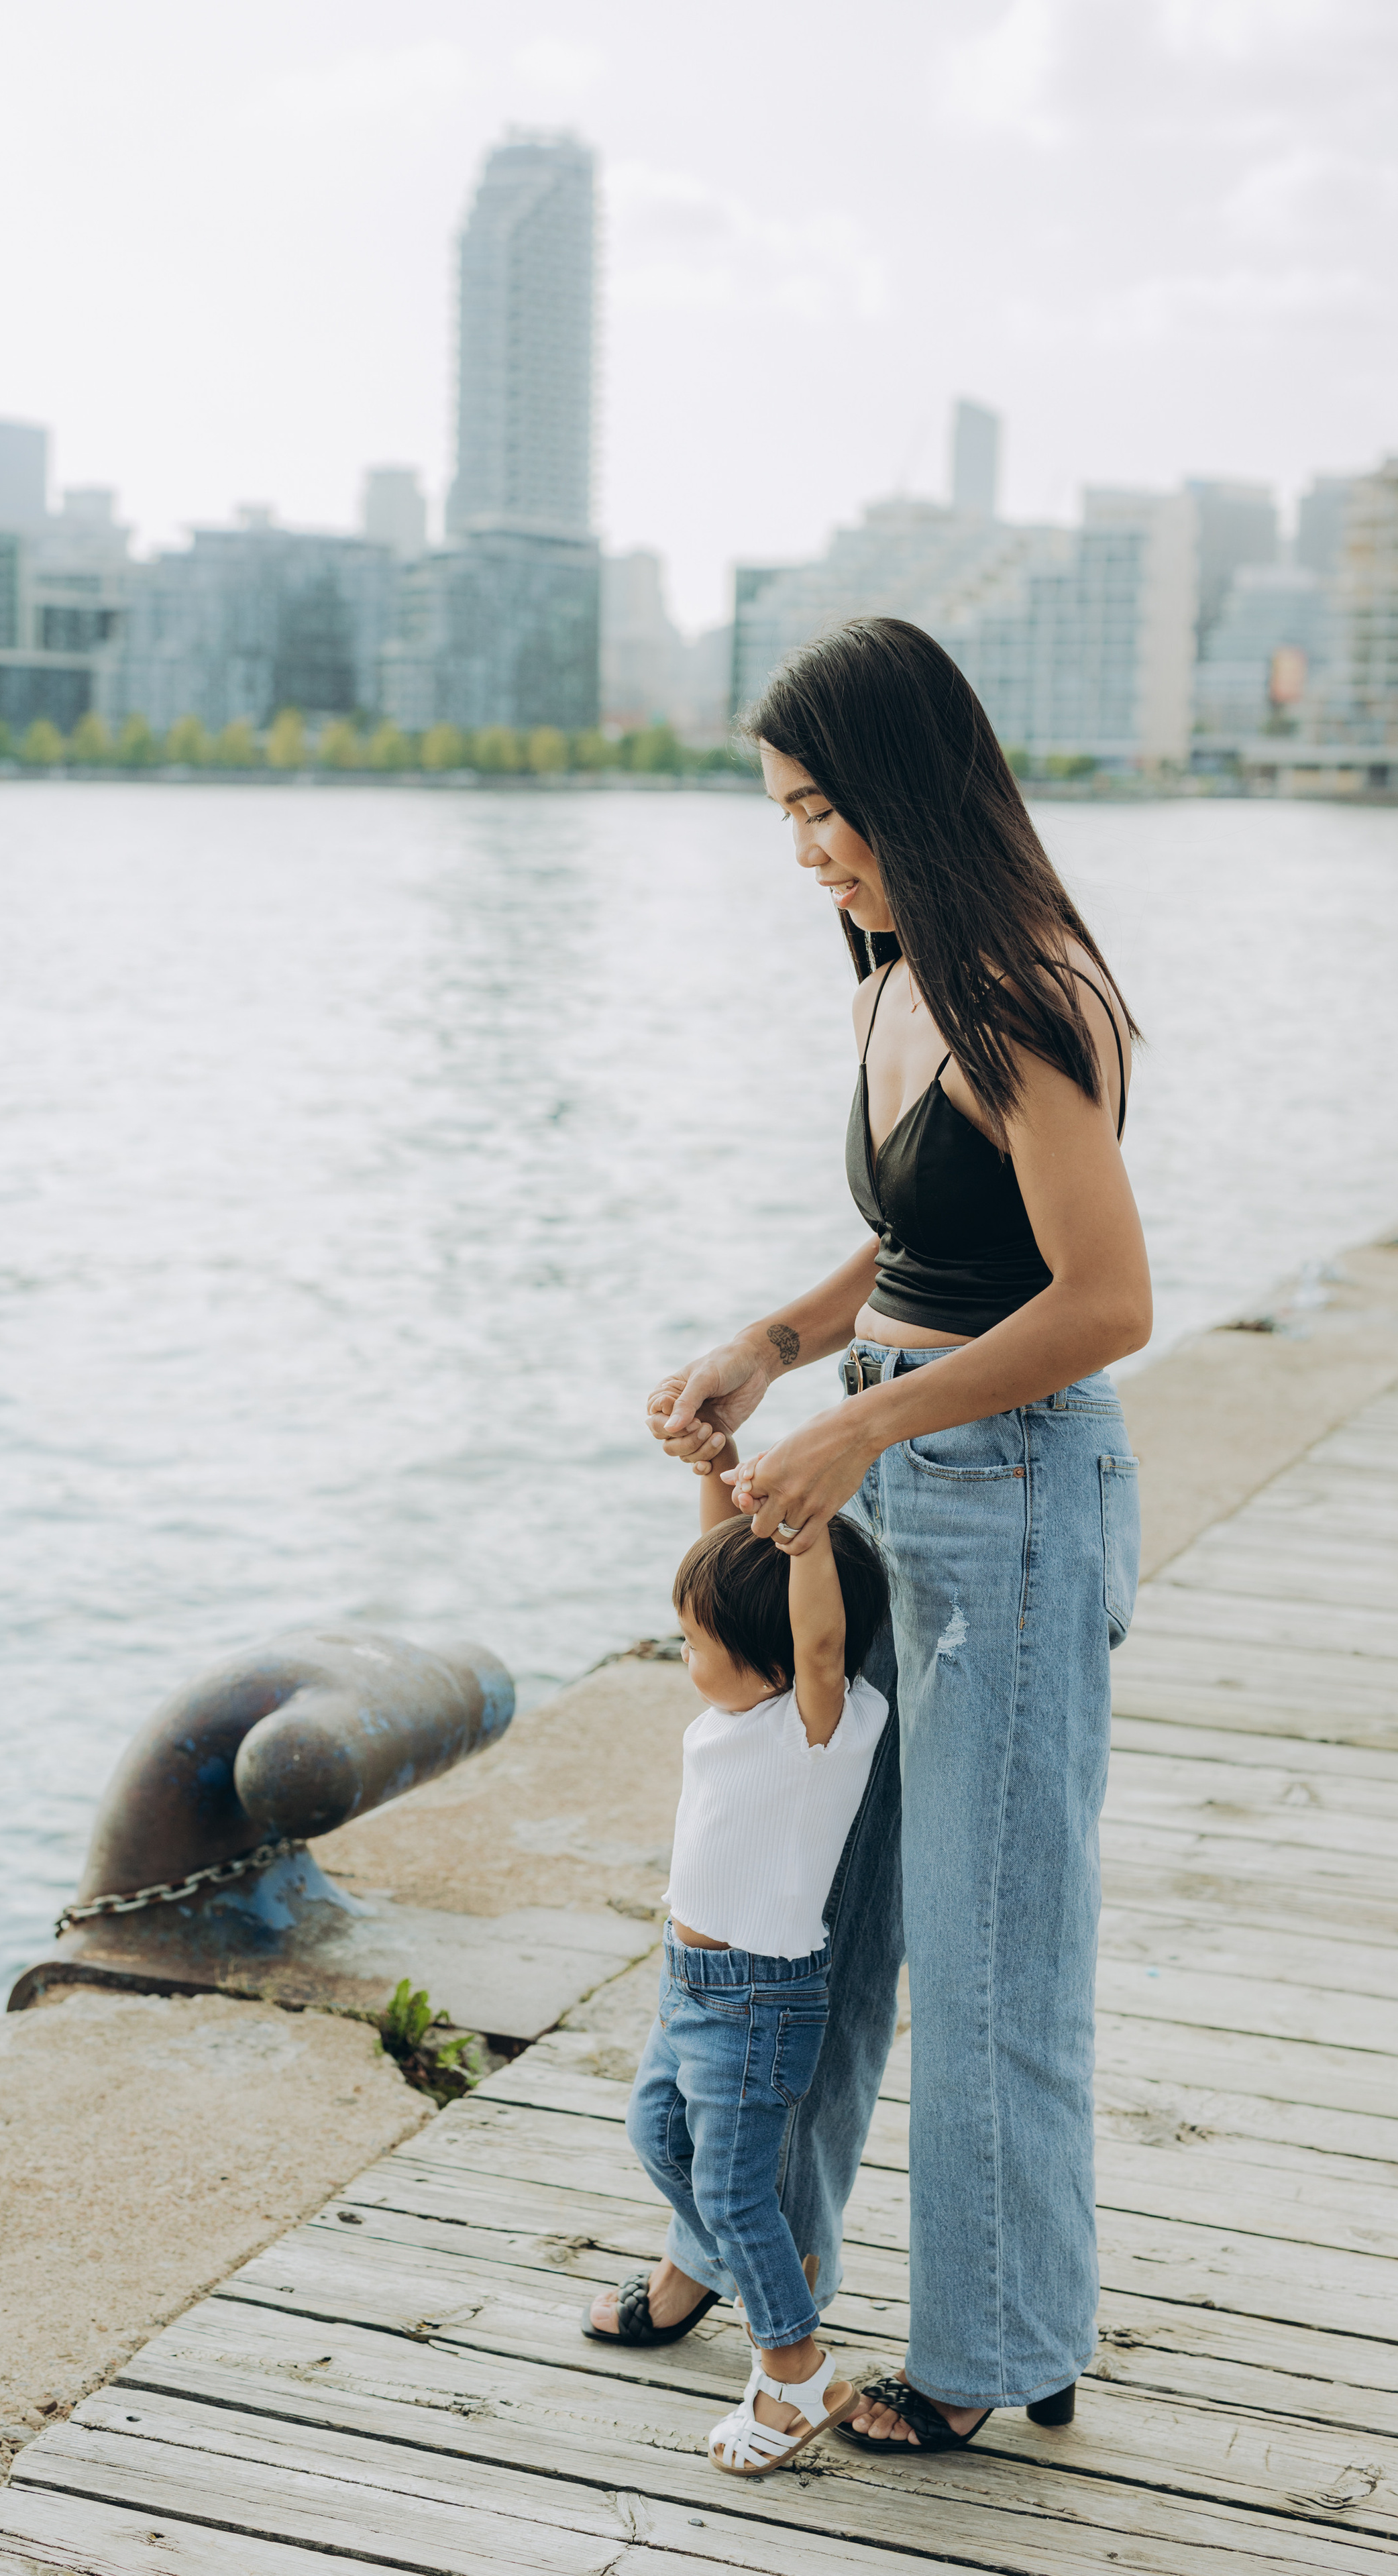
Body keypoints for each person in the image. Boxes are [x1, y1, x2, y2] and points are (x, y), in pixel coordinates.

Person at [643, 617, 1149, 2454]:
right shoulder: (888, 970)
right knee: (811, 1915)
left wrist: (853, 1419)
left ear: (907, 787)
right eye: (785, 818)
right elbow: (933, 1234)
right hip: (897, 1469)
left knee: (991, 1945)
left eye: (824, 812)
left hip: (1008, 1493)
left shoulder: (1030, 994)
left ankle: (991, 2349)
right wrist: (772, 1348)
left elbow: (1107, 1301)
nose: (807, 851)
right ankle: (737, 2251)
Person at [583, 1428, 890, 2473]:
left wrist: (806, 1549)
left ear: (764, 1655)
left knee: (729, 2191)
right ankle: (772, 2282)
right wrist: (718, 1479)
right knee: (657, 2140)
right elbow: (728, 1584)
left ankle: (793, 2373)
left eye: (691, 1638)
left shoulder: (819, 1722)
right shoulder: (739, 1700)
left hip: (759, 2000)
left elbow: (810, 1644)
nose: (681, 1648)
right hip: (692, 1982)